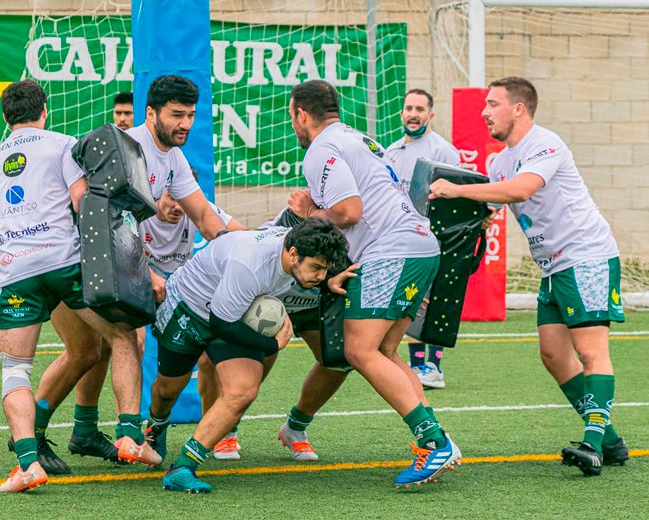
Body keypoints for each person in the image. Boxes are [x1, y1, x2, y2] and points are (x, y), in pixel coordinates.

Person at [29, 75, 235, 474]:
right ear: (151, 113)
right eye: (177, 115)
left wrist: (251, 248)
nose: (186, 124)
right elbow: (88, 196)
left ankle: (83, 431)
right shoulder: (122, 146)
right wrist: (148, 270)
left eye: (191, 115)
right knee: (116, 340)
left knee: (93, 350)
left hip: (93, 265)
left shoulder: (173, 160)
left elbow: (206, 218)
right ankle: (55, 435)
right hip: (71, 260)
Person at [429, 76, 628, 477]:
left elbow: (520, 190)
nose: (484, 112)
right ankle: (610, 441)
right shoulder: (498, 160)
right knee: (554, 355)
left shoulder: (546, 143)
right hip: (553, 265)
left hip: (586, 257)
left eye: (492, 104)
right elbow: (499, 200)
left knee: (591, 352)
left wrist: (456, 190)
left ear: (518, 109)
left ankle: (592, 444)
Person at [0, 79, 161, 493]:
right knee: (123, 335)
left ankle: (27, 463)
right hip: (65, 263)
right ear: (45, 110)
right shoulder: (62, 144)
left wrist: (19, 262)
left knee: (15, 372)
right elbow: (83, 203)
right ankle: (130, 434)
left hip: (15, 273)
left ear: (6, 118)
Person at [286, 79, 461, 488]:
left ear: (301, 114)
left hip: (393, 250)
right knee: (384, 349)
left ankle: (432, 441)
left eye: (292, 118)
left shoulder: (320, 149)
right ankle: (435, 440)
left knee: (358, 349)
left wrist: (310, 210)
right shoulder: (360, 139)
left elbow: (348, 211)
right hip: (421, 246)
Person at [143, 218, 350, 493]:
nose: (321, 276)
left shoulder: (299, 246)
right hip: (189, 307)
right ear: (293, 254)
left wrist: (330, 278)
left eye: (325, 270)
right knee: (168, 390)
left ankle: (182, 467)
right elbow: (220, 324)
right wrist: (273, 346)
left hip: (235, 311)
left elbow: (228, 320)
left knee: (242, 391)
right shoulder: (251, 265)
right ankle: (156, 427)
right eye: (316, 268)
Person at [386, 88, 460, 389]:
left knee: (432, 301)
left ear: (430, 115)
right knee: (410, 300)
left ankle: (434, 366)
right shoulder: (391, 152)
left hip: (434, 239)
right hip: (401, 241)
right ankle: (417, 366)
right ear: (401, 113)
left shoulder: (443, 151)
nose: (413, 114)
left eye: (420, 109)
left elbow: (457, 196)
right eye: (409, 108)